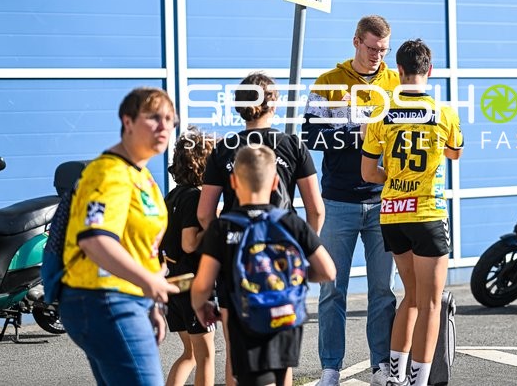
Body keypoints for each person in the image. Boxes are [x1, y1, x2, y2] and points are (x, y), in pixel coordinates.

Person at [196, 72, 325, 386]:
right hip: (281, 259)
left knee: (235, 352)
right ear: (274, 103)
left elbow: (204, 214)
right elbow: (316, 209)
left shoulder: (224, 148)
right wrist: (302, 250)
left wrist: (221, 245)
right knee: (283, 356)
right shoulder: (292, 145)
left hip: (237, 257)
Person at [59, 87, 181, 386]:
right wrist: (149, 282)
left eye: (170, 119)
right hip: (105, 300)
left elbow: (141, 247)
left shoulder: (142, 176)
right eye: (154, 117)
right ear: (128, 121)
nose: (164, 126)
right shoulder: (108, 173)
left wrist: (151, 302)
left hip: (129, 300)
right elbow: (94, 239)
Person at [302, 15, 400, 386]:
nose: (377, 56)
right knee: (332, 290)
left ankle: (380, 366)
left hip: (384, 201)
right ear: (356, 41)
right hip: (338, 201)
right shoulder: (328, 82)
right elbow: (310, 136)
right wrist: (354, 130)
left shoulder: (395, 83)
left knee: (382, 291)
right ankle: (331, 369)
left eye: (383, 50)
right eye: (372, 48)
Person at [360, 39, 464, 386]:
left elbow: (368, 173)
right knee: (431, 303)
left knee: (412, 297)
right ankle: (418, 382)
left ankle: (395, 377)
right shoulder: (445, 113)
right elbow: (455, 153)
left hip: (392, 214)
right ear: (429, 70)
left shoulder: (381, 113)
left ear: (399, 70)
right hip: (428, 214)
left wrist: (394, 175)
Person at [191, 145, 336, 386]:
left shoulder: (223, 227)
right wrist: (291, 275)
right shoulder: (291, 222)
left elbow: (203, 284)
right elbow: (328, 271)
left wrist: (201, 305)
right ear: (275, 183)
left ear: (234, 182)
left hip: (245, 320)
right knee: (281, 376)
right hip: (286, 319)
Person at [162, 127, 217, 386]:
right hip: (193, 284)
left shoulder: (172, 195)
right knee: (206, 356)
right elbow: (189, 243)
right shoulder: (196, 197)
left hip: (173, 282)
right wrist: (213, 225)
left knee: (190, 354)